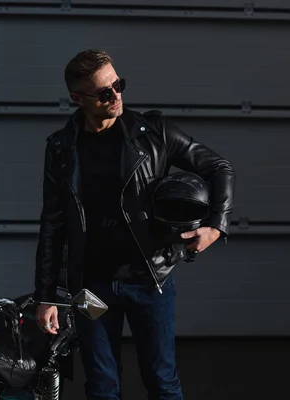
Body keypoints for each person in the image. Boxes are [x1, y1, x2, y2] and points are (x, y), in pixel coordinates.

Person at [33, 49, 235, 400]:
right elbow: (53, 223)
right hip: (89, 289)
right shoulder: (62, 148)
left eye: (118, 84)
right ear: (77, 99)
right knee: (101, 386)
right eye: (104, 92)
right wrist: (46, 296)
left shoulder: (152, 133)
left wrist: (215, 226)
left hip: (149, 280)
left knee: (162, 382)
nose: (116, 96)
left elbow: (220, 168)